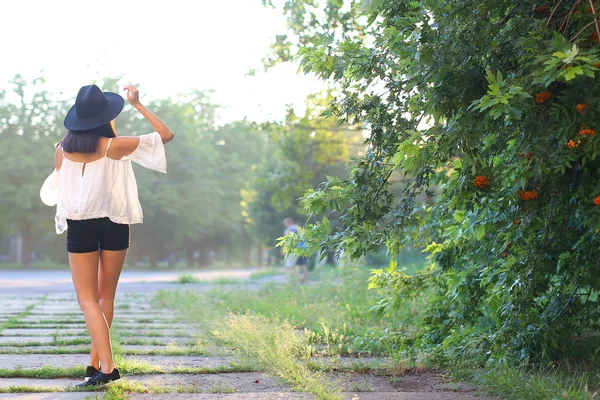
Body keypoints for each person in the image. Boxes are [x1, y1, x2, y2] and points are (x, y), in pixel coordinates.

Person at [40, 84, 174, 386]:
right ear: (105, 117)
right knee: (104, 296)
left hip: (80, 225)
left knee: (87, 298)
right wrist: (138, 105)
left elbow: (58, 190)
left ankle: (108, 367)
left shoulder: (62, 150)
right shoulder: (116, 146)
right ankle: (96, 363)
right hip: (115, 222)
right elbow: (165, 136)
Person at [282, 217, 308, 284]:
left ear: (288, 222)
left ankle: (298, 278)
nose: (285, 224)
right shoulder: (297, 230)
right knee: (298, 266)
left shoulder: (291, 229)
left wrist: (283, 249)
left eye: (285, 223)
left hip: (293, 250)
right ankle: (297, 279)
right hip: (301, 250)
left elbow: (287, 240)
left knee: (289, 266)